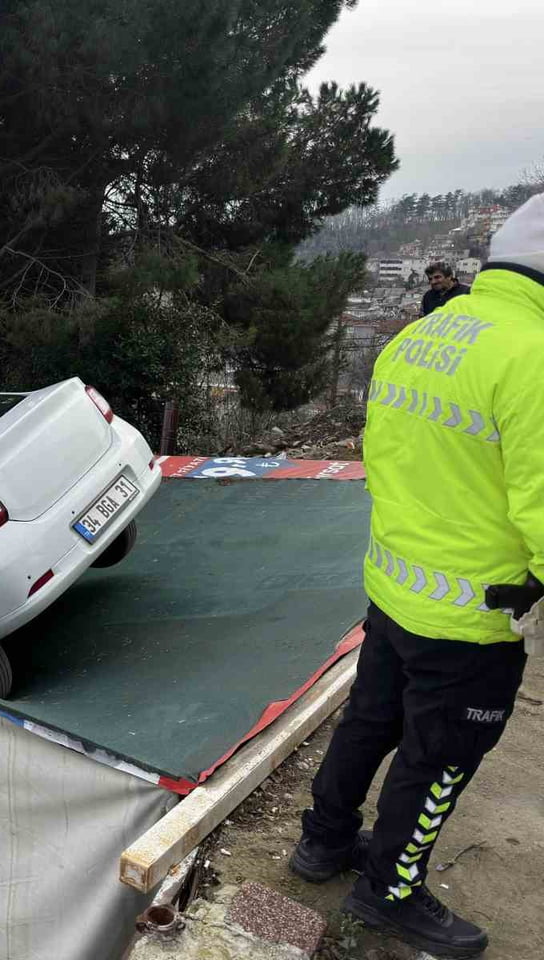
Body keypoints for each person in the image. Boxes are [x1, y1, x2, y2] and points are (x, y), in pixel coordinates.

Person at [289, 195, 544, 958]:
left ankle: (324, 843)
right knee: (440, 757)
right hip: (471, 612)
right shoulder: (533, 357)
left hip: (396, 587)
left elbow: (387, 457)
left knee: (371, 720)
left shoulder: (423, 333)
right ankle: (389, 891)